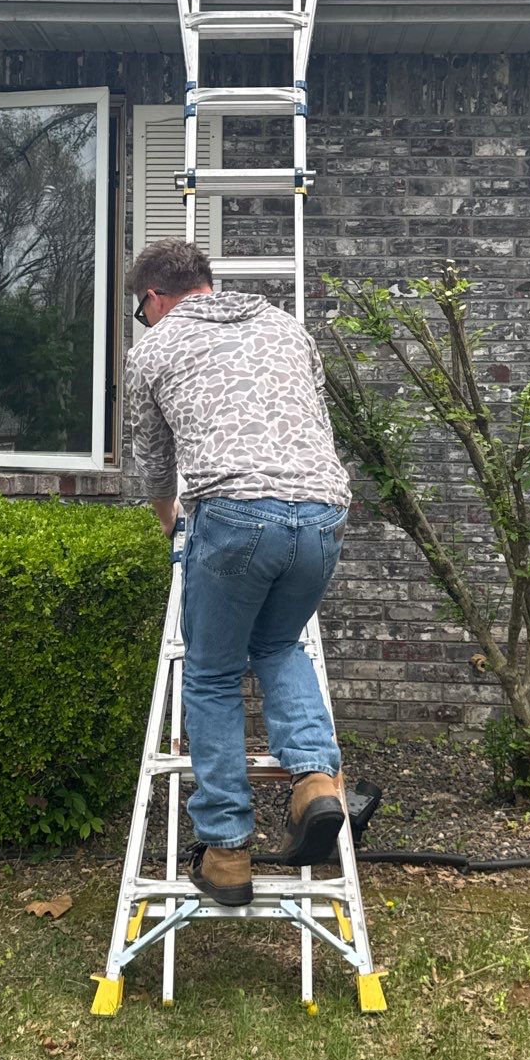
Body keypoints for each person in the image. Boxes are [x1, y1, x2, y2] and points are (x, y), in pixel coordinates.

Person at [125, 237, 352, 907]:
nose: (146, 321)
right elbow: (317, 423)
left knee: (213, 672)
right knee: (279, 644)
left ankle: (226, 850)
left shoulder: (156, 348)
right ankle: (315, 782)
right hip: (322, 514)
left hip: (234, 515)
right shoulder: (287, 329)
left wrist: (170, 522)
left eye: (143, 310)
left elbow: (154, 460)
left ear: (155, 298)